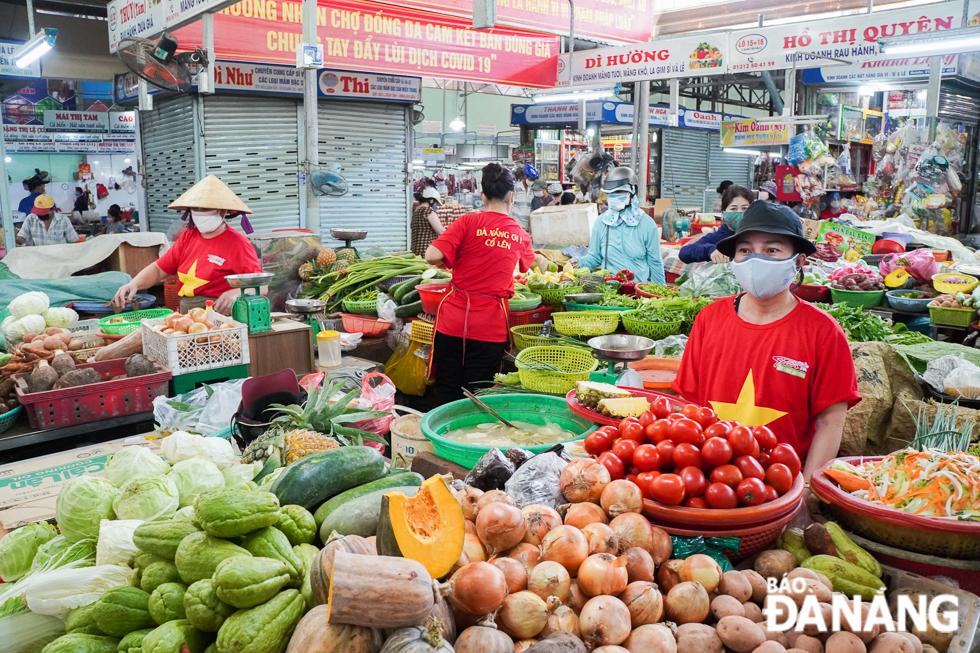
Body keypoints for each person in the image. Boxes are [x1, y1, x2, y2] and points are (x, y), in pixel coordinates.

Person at [673, 201, 860, 480]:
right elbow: (688, 403)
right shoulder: (709, 319)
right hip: (711, 482)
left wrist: (807, 490)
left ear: (799, 261)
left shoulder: (823, 333)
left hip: (782, 483)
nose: (755, 260)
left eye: (772, 250)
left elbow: (830, 421)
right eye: (745, 250)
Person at [424, 162, 535, 405]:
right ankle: (471, 440)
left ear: (482, 195)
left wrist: (450, 264)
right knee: (478, 394)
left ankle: (440, 438)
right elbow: (531, 265)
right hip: (489, 325)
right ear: (512, 196)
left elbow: (431, 255)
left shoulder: (467, 222)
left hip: (453, 320)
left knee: (446, 388)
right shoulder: (519, 233)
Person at [113, 175, 262, 314]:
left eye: (205, 209)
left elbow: (262, 286)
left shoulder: (238, 243)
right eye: (195, 209)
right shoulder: (188, 237)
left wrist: (236, 293)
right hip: (188, 315)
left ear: (223, 211)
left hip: (222, 317)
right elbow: (159, 269)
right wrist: (134, 284)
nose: (200, 213)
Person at [578, 167, 665, 283]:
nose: (614, 196)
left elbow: (655, 263)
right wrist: (578, 264)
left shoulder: (647, 225)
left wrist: (660, 292)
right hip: (609, 291)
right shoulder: (601, 222)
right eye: (611, 193)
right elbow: (594, 257)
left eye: (619, 192)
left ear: (632, 191)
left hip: (638, 292)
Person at [679, 185, 753, 264]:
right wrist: (711, 250)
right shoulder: (718, 237)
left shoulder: (758, 235)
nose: (739, 212)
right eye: (733, 209)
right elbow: (684, 253)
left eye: (745, 208)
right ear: (723, 212)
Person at [411, 186, 445, 256]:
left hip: (416, 251)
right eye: (435, 202)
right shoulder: (428, 211)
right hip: (426, 251)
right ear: (431, 200)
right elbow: (440, 231)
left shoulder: (416, 211)